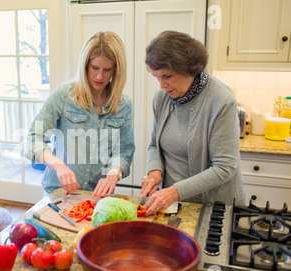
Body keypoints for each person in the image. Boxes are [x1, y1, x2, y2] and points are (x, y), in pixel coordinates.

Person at [141, 30, 244, 216]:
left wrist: (174, 191)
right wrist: (154, 172)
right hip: (174, 206)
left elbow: (224, 167)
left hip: (214, 207)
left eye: (167, 76)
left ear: (189, 69)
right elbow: (154, 143)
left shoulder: (221, 100)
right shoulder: (162, 98)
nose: (161, 85)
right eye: (157, 77)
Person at [26, 31, 135, 197]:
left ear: (116, 70)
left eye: (107, 70)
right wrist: (58, 165)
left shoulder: (124, 104)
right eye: (95, 68)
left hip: (96, 195)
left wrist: (114, 173)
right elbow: (34, 138)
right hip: (58, 192)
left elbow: (125, 150)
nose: (100, 76)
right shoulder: (63, 96)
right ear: (85, 65)